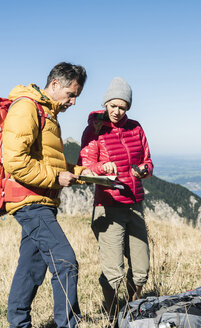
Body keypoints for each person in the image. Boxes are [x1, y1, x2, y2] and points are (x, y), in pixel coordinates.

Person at [2, 62, 91, 328]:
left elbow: (53, 164)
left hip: (41, 200)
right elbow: (15, 161)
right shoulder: (26, 108)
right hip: (29, 201)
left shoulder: (47, 114)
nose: (73, 102)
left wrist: (90, 173)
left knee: (31, 267)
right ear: (55, 85)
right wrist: (54, 178)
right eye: (71, 94)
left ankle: (18, 323)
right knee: (66, 262)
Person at [78, 77, 154, 321]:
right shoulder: (95, 130)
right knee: (114, 272)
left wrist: (142, 170)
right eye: (113, 105)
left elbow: (149, 162)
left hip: (134, 205)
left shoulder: (136, 128)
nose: (117, 111)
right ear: (106, 104)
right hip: (108, 206)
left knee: (141, 270)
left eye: (122, 107)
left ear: (128, 108)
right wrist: (103, 167)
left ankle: (130, 315)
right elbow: (85, 167)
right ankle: (112, 316)